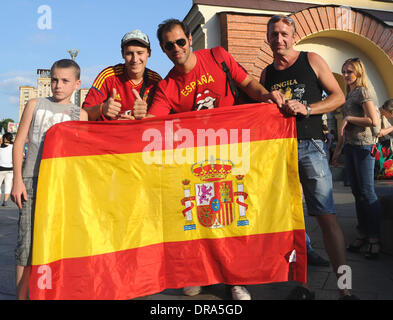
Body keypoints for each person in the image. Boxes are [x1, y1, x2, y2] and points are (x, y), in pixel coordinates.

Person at [147, 18, 285, 300]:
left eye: (180, 41)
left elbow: (247, 84)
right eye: (169, 45)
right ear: (163, 49)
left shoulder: (217, 56)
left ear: (189, 38)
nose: (176, 48)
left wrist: (267, 97)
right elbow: (151, 123)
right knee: (201, 220)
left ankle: (235, 279)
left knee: (233, 217)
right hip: (196, 162)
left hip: (231, 153)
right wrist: (135, 118)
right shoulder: (167, 86)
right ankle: (199, 274)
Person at [260, 15, 356, 299]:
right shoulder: (267, 74)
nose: (279, 39)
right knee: (293, 222)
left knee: (327, 218)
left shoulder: (311, 60)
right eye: (274, 34)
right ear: (268, 38)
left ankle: (345, 289)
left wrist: (307, 108)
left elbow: (338, 96)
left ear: (294, 35)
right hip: (280, 151)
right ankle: (304, 287)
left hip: (311, 146)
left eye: (284, 33)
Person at [11, 59, 88, 300]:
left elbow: (82, 155)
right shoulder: (35, 104)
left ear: (77, 84)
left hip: (62, 187)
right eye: (54, 79)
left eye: (65, 81)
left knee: (58, 245)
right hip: (32, 181)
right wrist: (17, 179)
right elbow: (19, 142)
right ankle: (21, 296)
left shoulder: (80, 114)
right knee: (26, 246)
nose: (58, 85)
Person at [332, 58, 381, 260]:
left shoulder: (363, 92)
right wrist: (338, 150)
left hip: (364, 146)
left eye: (349, 72)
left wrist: (349, 118)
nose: (345, 75)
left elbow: (373, 121)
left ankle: (374, 239)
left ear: (359, 73)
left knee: (367, 192)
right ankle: (362, 233)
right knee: (357, 192)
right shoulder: (349, 93)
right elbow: (344, 127)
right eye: (343, 71)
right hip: (351, 147)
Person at [82, 29, 161, 121]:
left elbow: (162, 120)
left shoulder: (156, 81)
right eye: (129, 53)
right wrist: (102, 108)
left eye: (140, 53)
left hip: (139, 134)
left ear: (149, 53)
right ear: (122, 54)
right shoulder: (108, 76)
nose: (135, 59)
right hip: (108, 134)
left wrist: (140, 119)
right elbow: (83, 113)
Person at [375, 99, 393, 179]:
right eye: (392, 114)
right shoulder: (376, 113)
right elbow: (378, 133)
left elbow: (389, 130)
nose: (392, 117)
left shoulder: (384, 116)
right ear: (388, 111)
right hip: (376, 145)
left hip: (384, 145)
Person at [0, 132, 14, 206]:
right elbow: (21, 155)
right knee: (8, 185)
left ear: (5, 138)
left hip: (1, 168)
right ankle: (5, 202)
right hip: (10, 169)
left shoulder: (1, 147)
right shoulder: (13, 147)